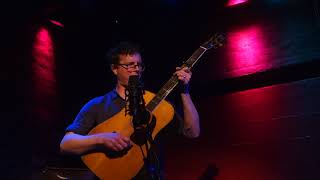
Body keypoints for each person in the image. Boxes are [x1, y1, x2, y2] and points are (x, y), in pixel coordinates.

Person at [60, 42, 200, 179]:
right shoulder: (97, 105)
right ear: (115, 69)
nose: (136, 69)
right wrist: (101, 139)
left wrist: (184, 91)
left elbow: (192, 132)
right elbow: (66, 144)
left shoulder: (159, 105)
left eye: (139, 65)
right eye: (129, 65)